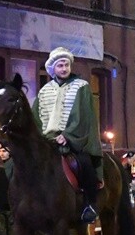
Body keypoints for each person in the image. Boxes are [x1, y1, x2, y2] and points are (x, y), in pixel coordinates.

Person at [33, 46, 103, 223]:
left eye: (66, 65)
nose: (64, 69)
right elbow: (36, 119)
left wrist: (68, 135)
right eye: (60, 66)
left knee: (84, 162)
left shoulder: (82, 86)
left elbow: (84, 116)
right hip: (48, 141)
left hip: (72, 140)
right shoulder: (44, 91)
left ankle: (90, 204)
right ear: (53, 69)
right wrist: (41, 138)